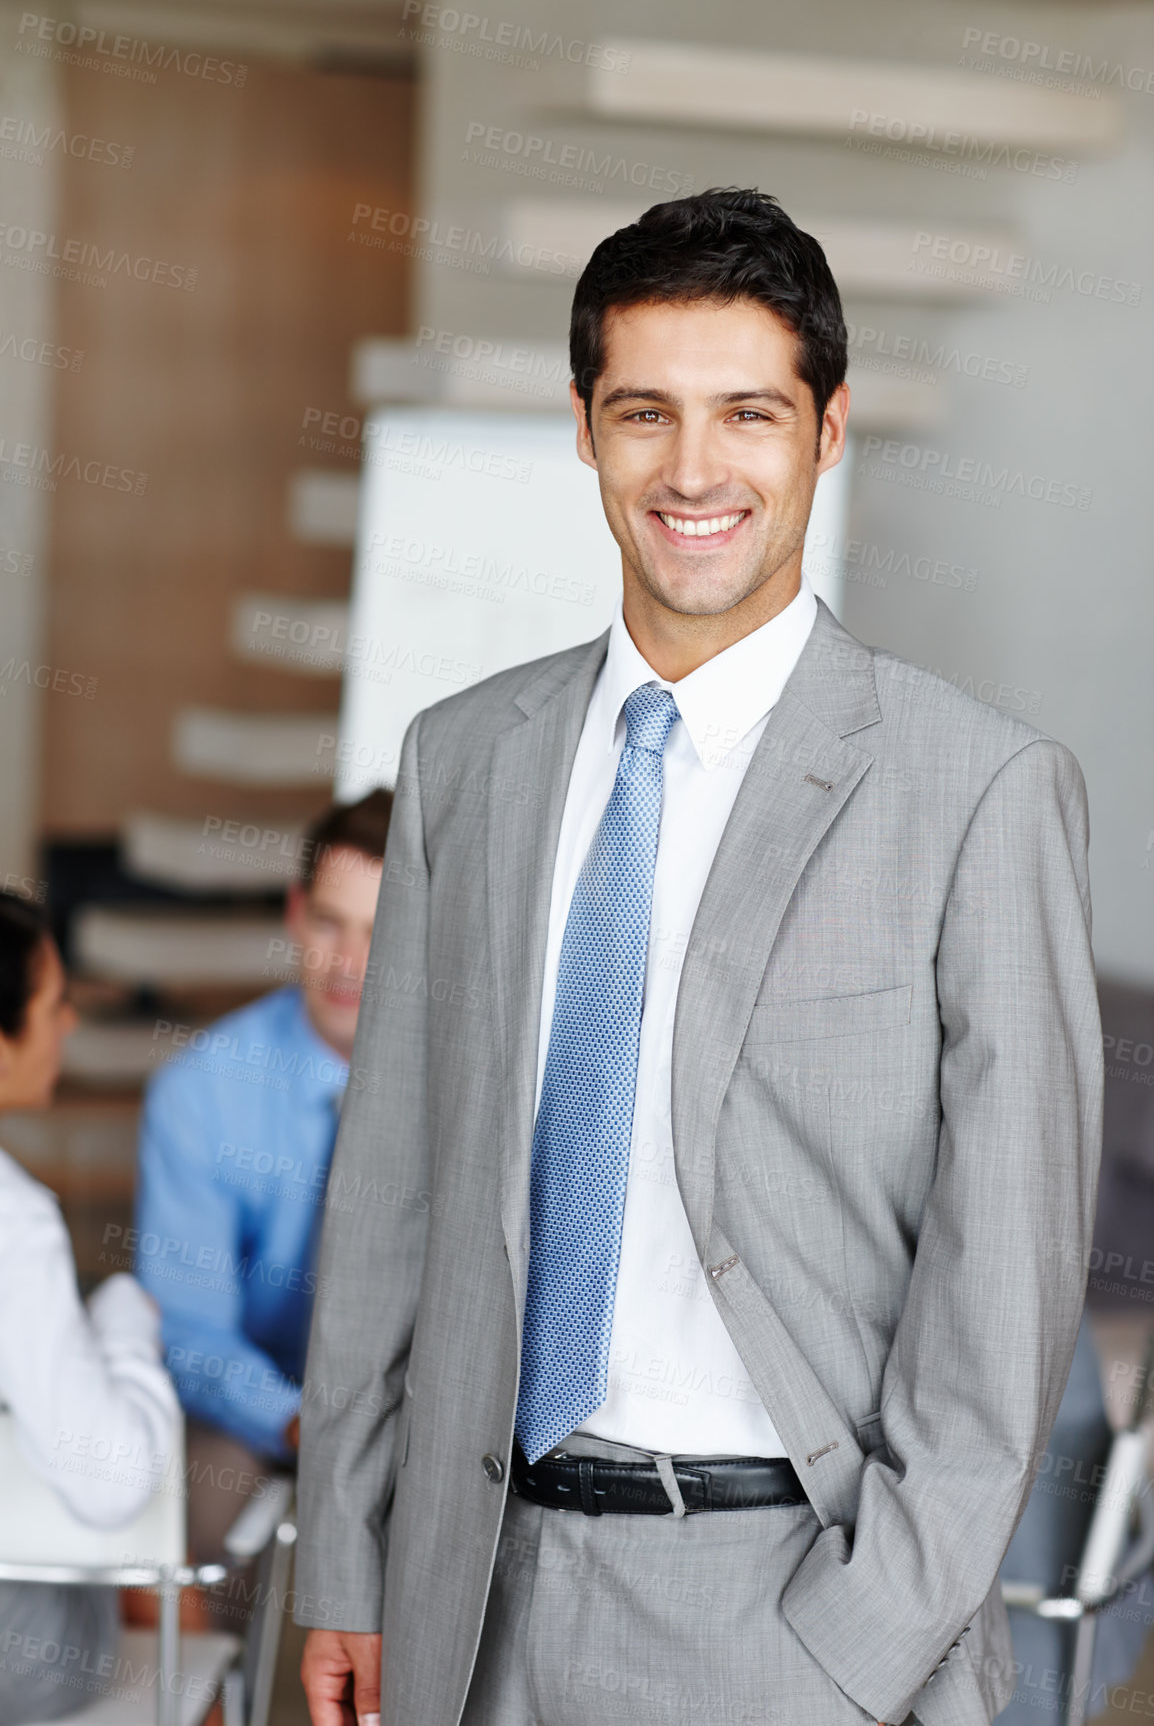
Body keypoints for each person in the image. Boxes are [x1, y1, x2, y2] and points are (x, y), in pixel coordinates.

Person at [294, 189, 1102, 1726]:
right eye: (644, 412)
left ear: (828, 430)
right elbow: (388, 1189)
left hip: (795, 1608)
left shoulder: (978, 789)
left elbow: (1000, 1285)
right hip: (476, 1598)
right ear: (586, 432)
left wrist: (864, 1640)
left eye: (748, 413)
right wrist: (349, 1554)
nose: (693, 468)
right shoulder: (462, 760)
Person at [134, 789, 390, 1564]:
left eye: (382, 933)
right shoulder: (200, 1091)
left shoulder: (473, 1087)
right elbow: (190, 1330)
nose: (348, 963)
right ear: (293, 912)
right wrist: (295, 1421)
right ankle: (203, 1688)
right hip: (255, 1404)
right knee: (195, 1521)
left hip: (403, 1415)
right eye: (329, 922)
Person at [0, 891, 178, 1723]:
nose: (70, 1026)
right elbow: (110, 1479)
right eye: (56, 1003)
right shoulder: (13, 1216)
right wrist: (123, 1319)